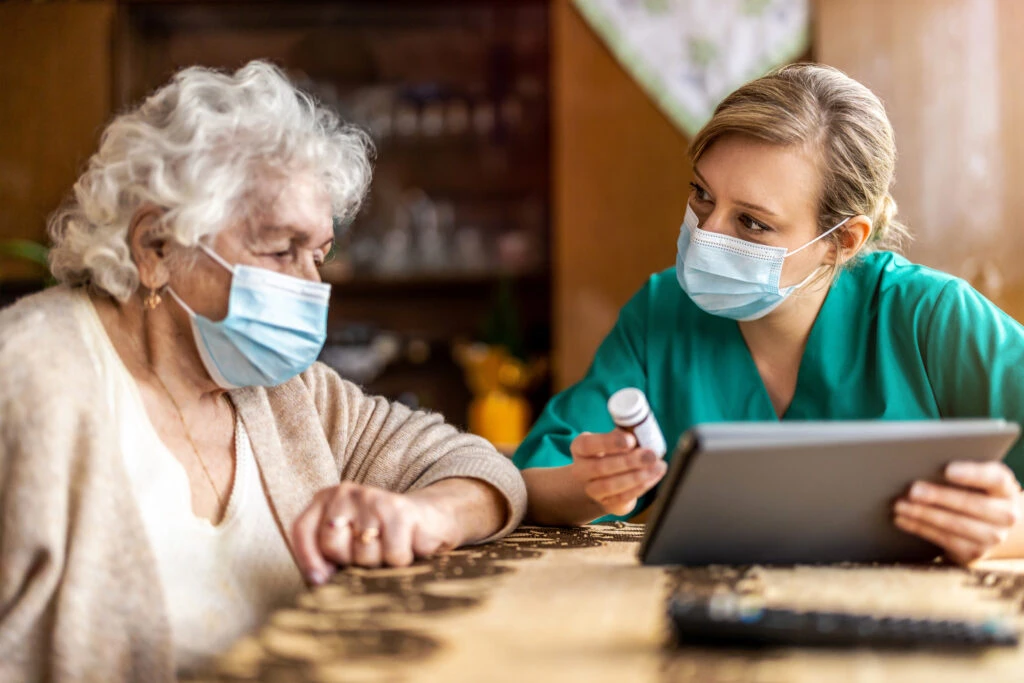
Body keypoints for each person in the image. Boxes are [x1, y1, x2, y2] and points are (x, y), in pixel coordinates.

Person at [0, 61, 526, 682]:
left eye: (319, 254)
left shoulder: (284, 392)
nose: (310, 284)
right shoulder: (28, 379)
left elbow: (478, 467)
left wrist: (425, 516)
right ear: (156, 247)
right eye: (280, 248)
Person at [515, 63, 1024, 566]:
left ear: (843, 241)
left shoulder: (930, 316)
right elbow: (532, 482)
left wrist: (1006, 528)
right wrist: (594, 486)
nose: (707, 233)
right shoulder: (661, 311)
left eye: (752, 222)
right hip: (707, 611)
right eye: (702, 195)